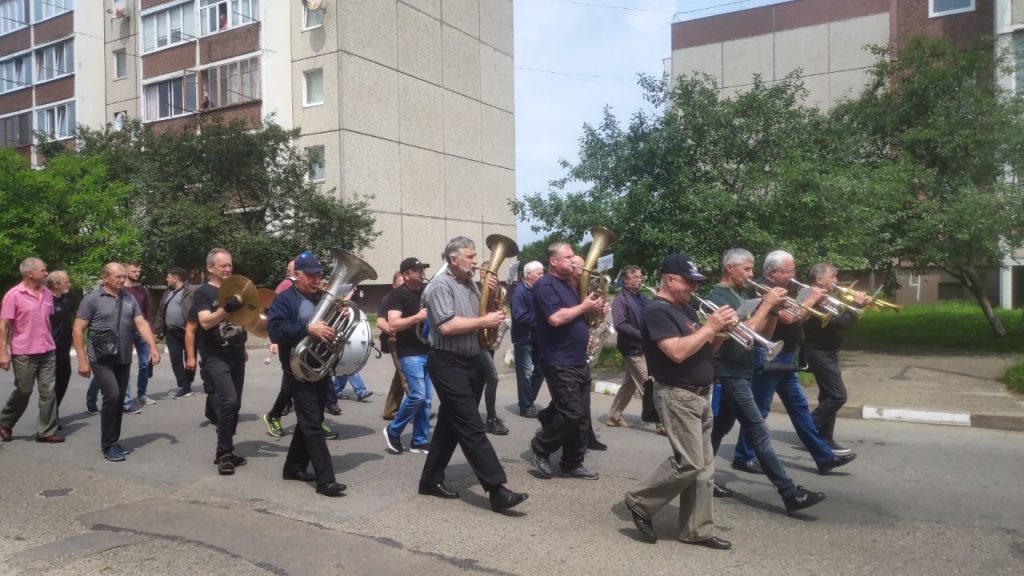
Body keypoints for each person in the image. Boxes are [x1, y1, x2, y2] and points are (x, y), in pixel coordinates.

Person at [623, 254, 735, 549]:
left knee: (705, 469)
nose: (694, 289)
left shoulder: (685, 309)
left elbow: (703, 349)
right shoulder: (656, 311)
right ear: (670, 279)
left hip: (700, 394)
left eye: (696, 283)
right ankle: (640, 501)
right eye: (689, 282)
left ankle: (697, 530)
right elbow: (676, 352)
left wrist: (721, 332)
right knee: (690, 463)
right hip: (677, 394)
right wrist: (710, 326)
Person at [708, 249, 826, 513]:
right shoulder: (719, 297)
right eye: (747, 269)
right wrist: (766, 305)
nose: (751, 274)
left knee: (718, 429)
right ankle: (789, 492)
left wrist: (772, 311)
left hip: (743, 369)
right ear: (730, 268)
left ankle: (702, 478)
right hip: (729, 372)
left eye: (752, 269)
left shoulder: (740, 295)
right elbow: (744, 331)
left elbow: (764, 335)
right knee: (758, 429)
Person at [418, 236, 528, 512]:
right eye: (470, 256)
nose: (475, 261)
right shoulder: (439, 286)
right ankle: (497, 489)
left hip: (472, 360)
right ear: (453, 259)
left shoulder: (469, 285)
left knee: (450, 423)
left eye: (475, 255)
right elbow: (447, 326)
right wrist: (484, 320)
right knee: (471, 424)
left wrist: (491, 300)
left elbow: (481, 317)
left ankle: (430, 479)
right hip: (447, 363)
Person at [731, 250, 856, 475]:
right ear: (773, 272)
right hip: (770, 356)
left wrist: (813, 305)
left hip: (786, 356)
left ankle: (824, 457)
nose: (793, 275)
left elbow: (799, 317)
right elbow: (787, 318)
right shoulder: (762, 288)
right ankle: (744, 456)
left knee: (800, 408)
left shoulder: (783, 288)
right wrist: (811, 299)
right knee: (760, 409)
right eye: (789, 271)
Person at [267, 251, 346, 497]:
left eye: (319, 275)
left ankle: (293, 467)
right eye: (311, 275)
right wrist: (307, 329)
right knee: (312, 423)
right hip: (297, 369)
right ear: (297, 275)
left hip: (319, 367)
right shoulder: (284, 300)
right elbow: (276, 331)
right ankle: (326, 480)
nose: (316, 280)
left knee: (311, 418)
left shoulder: (323, 297)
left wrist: (340, 315)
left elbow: (333, 329)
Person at [528, 244, 608, 480]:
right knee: (572, 412)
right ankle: (541, 446)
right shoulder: (545, 285)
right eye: (568, 257)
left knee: (582, 416)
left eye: (573, 256)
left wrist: (597, 309)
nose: (574, 260)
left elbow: (583, 317)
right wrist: (584, 306)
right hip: (558, 360)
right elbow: (555, 318)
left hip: (578, 358)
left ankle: (572, 462)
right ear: (553, 261)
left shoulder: (569, 285)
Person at [72, 263, 160, 461]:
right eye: (117, 276)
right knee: (112, 395)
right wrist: (82, 361)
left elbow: (141, 323)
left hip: (123, 356)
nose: (122, 280)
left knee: (119, 399)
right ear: (105, 278)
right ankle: (109, 445)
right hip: (100, 357)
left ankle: (113, 440)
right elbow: (77, 330)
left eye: (123, 276)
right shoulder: (93, 299)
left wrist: (153, 347)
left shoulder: (129, 298)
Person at [192, 248, 249, 475]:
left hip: (236, 353)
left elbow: (243, 319)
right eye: (223, 265)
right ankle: (224, 453)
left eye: (229, 265)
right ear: (210, 268)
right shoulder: (203, 293)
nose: (227, 269)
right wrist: (226, 308)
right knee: (229, 400)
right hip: (215, 354)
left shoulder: (237, 290)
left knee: (236, 403)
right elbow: (205, 322)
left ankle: (227, 447)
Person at [804, 262, 867, 453]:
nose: (836, 280)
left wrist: (855, 306)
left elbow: (841, 318)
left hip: (828, 351)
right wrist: (856, 304)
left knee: (827, 396)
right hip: (818, 352)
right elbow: (840, 323)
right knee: (838, 395)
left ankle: (824, 437)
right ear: (819, 279)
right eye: (833, 276)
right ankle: (807, 429)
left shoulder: (825, 297)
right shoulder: (814, 298)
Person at [0, 258, 61, 443]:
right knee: (24, 390)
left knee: (48, 391)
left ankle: (46, 431)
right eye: (42, 270)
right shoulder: (13, 295)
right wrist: (3, 352)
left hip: (47, 350)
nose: (46, 273)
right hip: (24, 352)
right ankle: (5, 422)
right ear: (29, 273)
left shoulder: (47, 293)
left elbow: (48, 321)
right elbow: (3, 325)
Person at [384, 257, 433, 455]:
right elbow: (393, 325)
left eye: (423, 269)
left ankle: (419, 441)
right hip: (409, 352)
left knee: (426, 399)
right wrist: (417, 317)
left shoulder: (425, 291)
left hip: (427, 349)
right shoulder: (397, 295)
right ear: (406, 275)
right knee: (418, 395)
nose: (422, 273)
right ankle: (393, 430)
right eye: (417, 270)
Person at [570, 254, 607, 452]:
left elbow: (593, 318)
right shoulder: (567, 289)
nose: (588, 270)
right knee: (572, 401)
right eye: (582, 267)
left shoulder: (584, 288)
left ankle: (588, 435)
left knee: (584, 396)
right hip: (567, 351)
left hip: (583, 345)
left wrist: (601, 310)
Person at [606, 264, 650, 428]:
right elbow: (620, 324)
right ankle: (662, 422)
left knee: (629, 384)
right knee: (648, 385)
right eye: (636, 277)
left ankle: (614, 416)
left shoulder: (642, 297)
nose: (640, 280)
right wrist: (642, 335)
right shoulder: (620, 299)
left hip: (644, 347)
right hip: (631, 348)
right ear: (625, 279)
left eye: (640, 276)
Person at [264, 259, 299, 437]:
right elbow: (273, 310)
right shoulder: (286, 285)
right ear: (293, 271)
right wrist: (274, 339)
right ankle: (274, 415)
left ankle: (316, 420)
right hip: (289, 341)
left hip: (304, 342)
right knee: (290, 384)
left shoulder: (308, 289)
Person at [153, 267, 195, 399]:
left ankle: (188, 382)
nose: (167, 279)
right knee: (175, 359)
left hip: (188, 332)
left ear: (175, 278)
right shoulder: (168, 292)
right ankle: (184, 386)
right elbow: (161, 311)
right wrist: (158, 330)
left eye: (168, 277)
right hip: (171, 332)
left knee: (190, 358)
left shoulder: (190, 291)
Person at [511, 261, 544, 418]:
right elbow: (519, 316)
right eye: (539, 274)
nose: (542, 276)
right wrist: (542, 319)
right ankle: (525, 407)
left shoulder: (538, 289)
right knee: (525, 374)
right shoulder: (519, 292)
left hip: (538, 337)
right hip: (523, 338)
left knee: (541, 369)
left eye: (543, 273)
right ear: (528, 275)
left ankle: (527, 401)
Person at [123, 262, 155, 407]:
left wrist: (151, 332)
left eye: (138, 271)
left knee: (144, 364)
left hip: (142, 331)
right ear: (126, 272)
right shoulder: (121, 289)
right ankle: (126, 399)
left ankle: (142, 394)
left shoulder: (142, 290)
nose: (137, 274)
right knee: (125, 365)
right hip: (125, 332)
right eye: (134, 271)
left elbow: (147, 312)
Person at [46, 271, 73, 422]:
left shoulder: (65, 299)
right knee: (50, 387)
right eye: (65, 281)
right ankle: (49, 418)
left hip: (64, 349)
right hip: (51, 350)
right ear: (56, 284)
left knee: (63, 381)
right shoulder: (46, 300)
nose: (68, 284)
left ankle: (52, 413)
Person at [379, 271, 405, 421]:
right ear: (394, 285)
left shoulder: (410, 297)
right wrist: (394, 332)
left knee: (400, 376)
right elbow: (380, 322)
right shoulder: (388, 299)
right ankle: (419, 410)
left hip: (410, 342)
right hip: (394, 341)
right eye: (400, 284)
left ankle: (390, 411)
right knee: (405, 375)